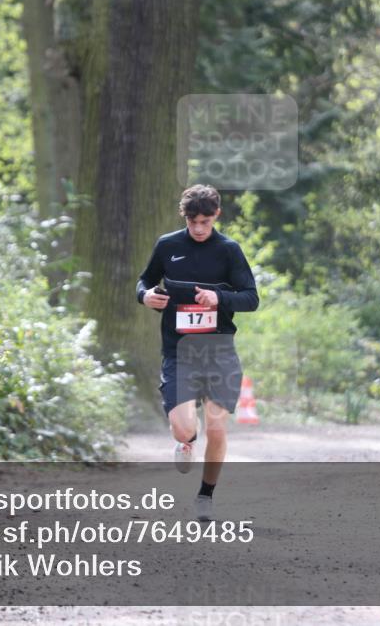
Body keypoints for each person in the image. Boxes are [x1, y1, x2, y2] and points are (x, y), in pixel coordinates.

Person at [136, 184, 259, 521]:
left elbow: (251, 297)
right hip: (179, 351)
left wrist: (220, 298)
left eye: (206, 221)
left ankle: (206, 495)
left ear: (216, 215)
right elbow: (144, 281)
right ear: (185, 218)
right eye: (193, 222)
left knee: (217, 428)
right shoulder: (168, 246)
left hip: (218, 350)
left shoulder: (229, 251)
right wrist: (145, 296)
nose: (200, 229)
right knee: (183, 428)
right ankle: (186, 440)